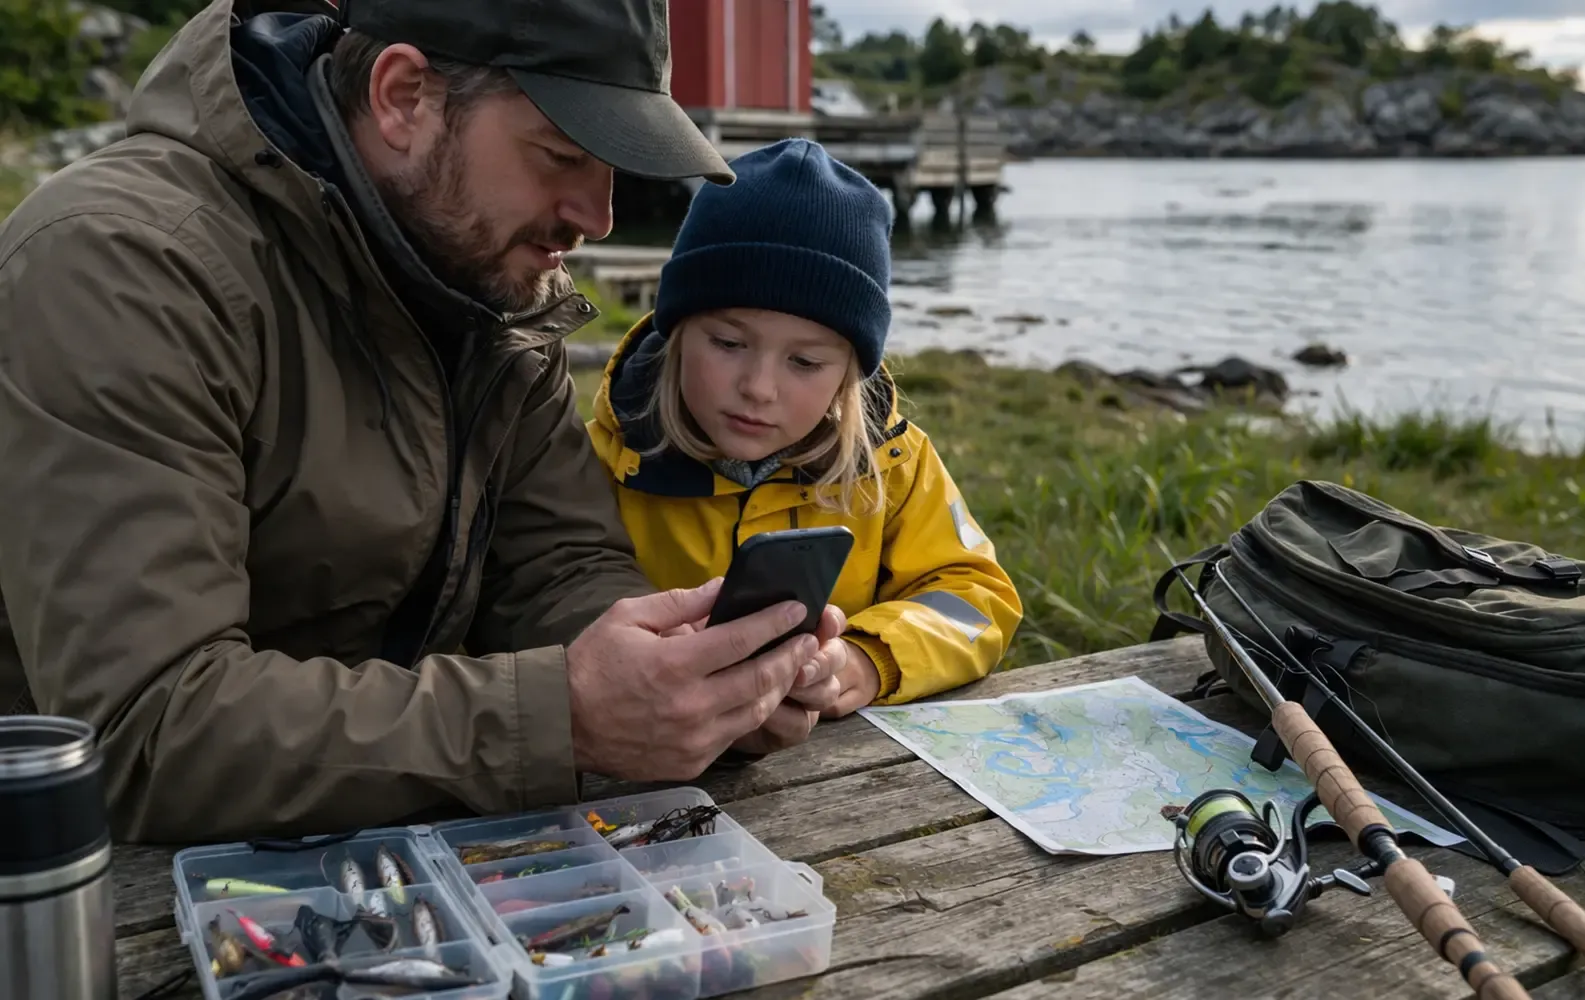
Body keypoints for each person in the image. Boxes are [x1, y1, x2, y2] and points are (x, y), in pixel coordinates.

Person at [0, 0, 848, 843]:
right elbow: (146, 729)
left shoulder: (494, 284)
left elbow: (558, 566)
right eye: (561, 155)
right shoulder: (121, 266)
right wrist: (562, 718)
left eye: (613, 168)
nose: (598, 217)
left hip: (382, 845)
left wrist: (691, 679)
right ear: (403, 97)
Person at [586, 139, 1024, 719]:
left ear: (850, 373)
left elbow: (976, 597)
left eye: (805, 362)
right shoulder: (591, 462)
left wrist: (866, 660)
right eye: (728, 343)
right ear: (676, 332)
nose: (759, 387)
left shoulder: (897, 465)